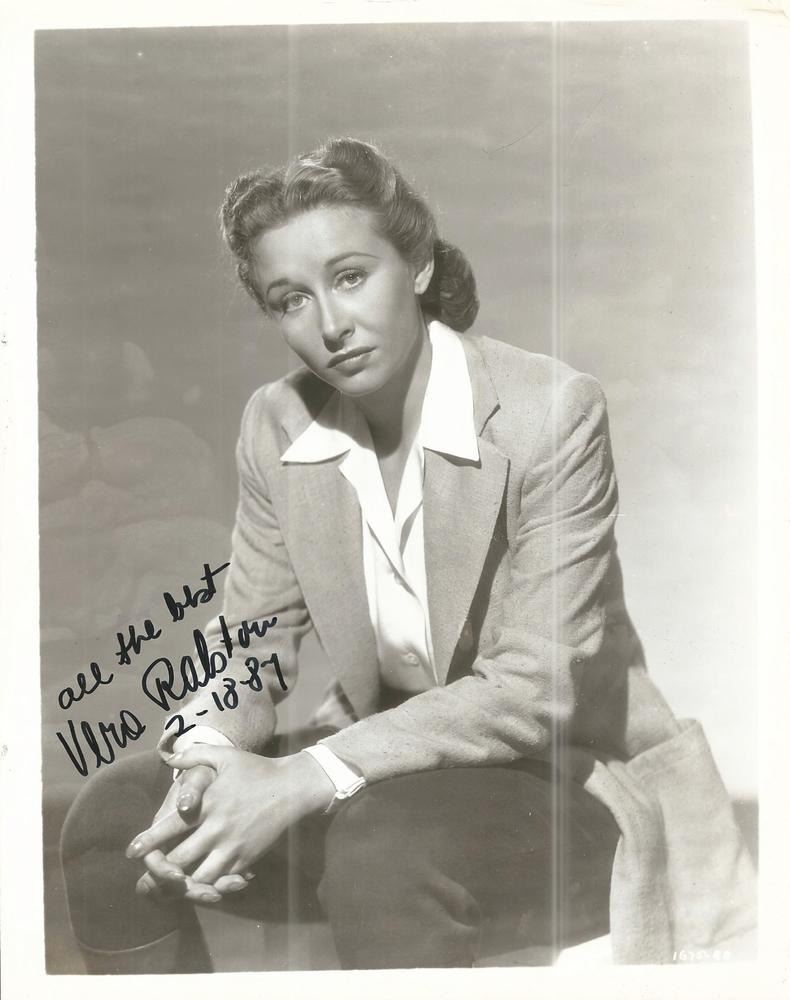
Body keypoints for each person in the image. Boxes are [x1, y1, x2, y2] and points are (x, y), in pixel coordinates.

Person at [60, 137, 756, 972]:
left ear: (418, 264)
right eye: (291, 299)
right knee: (115, 821)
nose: (329, 323)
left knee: (382, 851)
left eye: (351, 277)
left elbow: (533, 692)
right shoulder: (276, 424)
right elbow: (250, 647)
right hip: (380, 778)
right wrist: (205, 762)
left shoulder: (550, 412)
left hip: (573, 786)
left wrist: (304, 777)